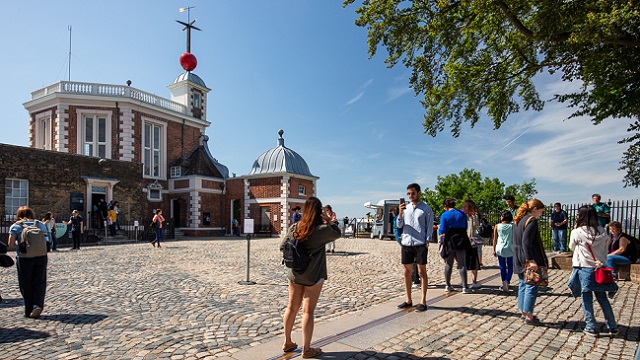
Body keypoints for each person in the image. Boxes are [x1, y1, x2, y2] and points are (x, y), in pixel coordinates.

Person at [280, 196, 341, 358]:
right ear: (318, 211)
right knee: (308, 311)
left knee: (291, 307)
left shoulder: (295, 227)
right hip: (313, 275)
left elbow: (282, 246)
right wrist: (328, 220)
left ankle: (287, 342)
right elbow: (337, 233)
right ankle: (307, 349)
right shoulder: (321, 230)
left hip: (295, 273)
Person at [568, 205, 618, 337]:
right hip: (600, 268)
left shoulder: (577, 232)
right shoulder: (603, 231)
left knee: (586, 298)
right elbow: (606, 247)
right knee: (602, 298)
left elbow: (571, 247)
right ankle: (612, 325)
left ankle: (590, 326)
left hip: (584, 267)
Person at [396, 183, 434, 311]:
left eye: (412, 193)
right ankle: (408, 299)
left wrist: (427, 240)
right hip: (406, 243)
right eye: (408, 194)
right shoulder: (405, 208)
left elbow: (429, 226)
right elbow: (399, 225)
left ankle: (423, 301)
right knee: (407, 272)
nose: (410, 196)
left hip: (419, 243)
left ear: (418, 193)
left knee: (422, 271)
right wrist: (400, 213)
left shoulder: (426, 209)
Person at [7, 206, 50, 318]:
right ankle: (38, 304)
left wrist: (22, 245)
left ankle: (29, 309)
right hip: (41, 256)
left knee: (26, 283)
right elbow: (47, 240)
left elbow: (11, 244)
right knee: (40, 282)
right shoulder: (40, 224)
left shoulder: (16, 226)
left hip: (24, 257)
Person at [512, 199, 548, 325]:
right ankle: (529, 315)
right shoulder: (531, 220)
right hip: (527, 258)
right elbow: (526, 242)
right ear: (534, 209)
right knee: (531, 286)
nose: (541, 215)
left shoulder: (518, 220)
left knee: (523, 284)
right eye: (541, 212)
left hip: (518, 256)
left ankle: (523, 312)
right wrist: (531, 260)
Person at [439, 198, 470, 293]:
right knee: (462, 263)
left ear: (445, 206)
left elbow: (442, 230)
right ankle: (464, 286)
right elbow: (465, 226)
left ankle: (448, 285)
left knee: (449, 263)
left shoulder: (445, 215)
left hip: (450, 239)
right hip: (461, 238)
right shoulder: (462, 213)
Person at [493, 210, 514, 293]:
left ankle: (503, 282)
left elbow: (495, 239)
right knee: (510, 266)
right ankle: (507, 280)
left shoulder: (497, 226)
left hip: (500, 247)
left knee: (502, 266)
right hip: (510, 247)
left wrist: (494, 249)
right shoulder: (513, 226)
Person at [461, 200, 482, 289]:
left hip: (464, 241)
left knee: (465, 262)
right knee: (472, 262)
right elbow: (477, 228)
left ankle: (465, 281)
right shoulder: (473, 216)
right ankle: (472, 281)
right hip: (470, 241)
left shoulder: (462, 216)